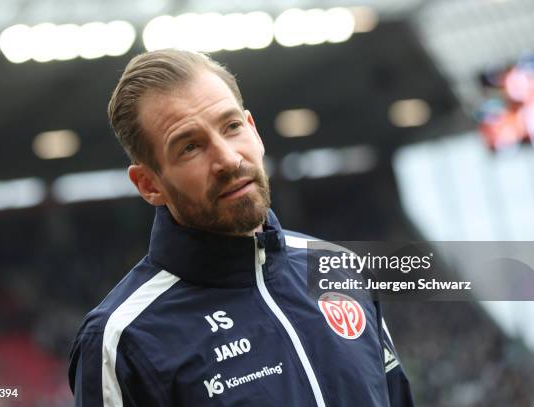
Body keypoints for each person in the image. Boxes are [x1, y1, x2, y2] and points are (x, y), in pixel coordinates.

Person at [68, 49, 414, 406]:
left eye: (231, 127)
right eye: (189, 147)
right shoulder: (122, 340)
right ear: (149, 184)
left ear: (254, 131)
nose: (229, 159)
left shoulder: (339, 268)